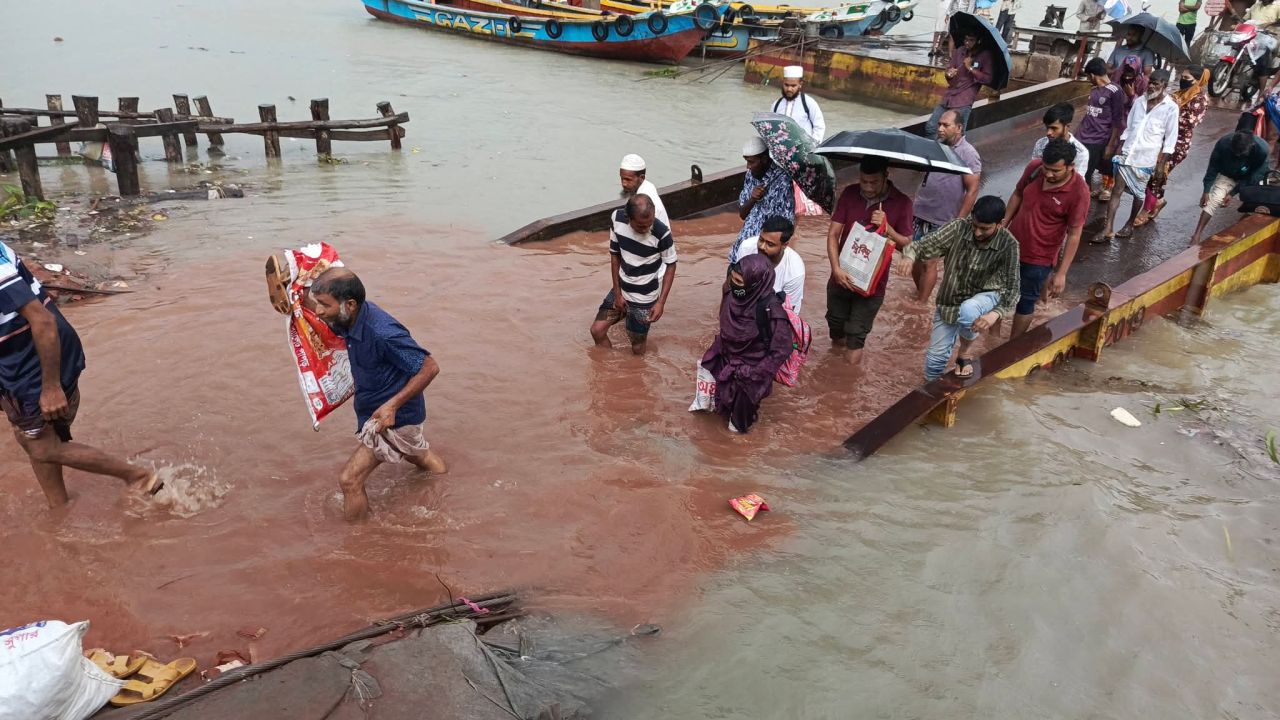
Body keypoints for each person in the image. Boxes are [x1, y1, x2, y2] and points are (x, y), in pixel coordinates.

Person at [0, 241, 161, 508]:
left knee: (41, 446)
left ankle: (139, 477)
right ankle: (59, 507)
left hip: (34, 359)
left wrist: (50, 387)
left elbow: (42, 321)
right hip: (20, 355)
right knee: (32, 434)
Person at [308, 268, 447, 522]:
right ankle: (445, 484)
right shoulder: (348, 318)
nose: (318, 311)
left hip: (395, 418)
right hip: (382, 412)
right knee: (419, 456)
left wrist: (392, 407)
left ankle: (358, 543)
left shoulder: (383, 333)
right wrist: (295, 303)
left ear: (349, 304)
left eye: (323, 305)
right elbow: (317, 315)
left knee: (350, 480)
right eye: (317, 303)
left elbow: (429, 367)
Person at [897, 196, 1020, 381]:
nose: (977, 233)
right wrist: (909, 256)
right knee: (933, 364)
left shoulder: (1009, 244)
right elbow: (924, 245)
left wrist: (995, 314)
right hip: (950, 301)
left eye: (984, 229)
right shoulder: (958, 227)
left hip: (986, 298)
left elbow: (1013, 289)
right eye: (975, 225)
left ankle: (964, 352)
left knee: (969, 309)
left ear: (999, 224)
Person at [824, 157, 914, 364]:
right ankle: (834, 366)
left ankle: (846, 383)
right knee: (835, 325)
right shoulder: (849, 194)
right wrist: (836, 269)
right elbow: (832, 235)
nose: (868, 187)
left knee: (856, 335)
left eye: (873, 182)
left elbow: (907, 244)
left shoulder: (902, 203)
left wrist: (888, 227)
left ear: (886, 177)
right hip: (841, 275)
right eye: (864, 181)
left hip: (873, 283)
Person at [1003, 139, 1090, 338]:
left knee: (1025, 301)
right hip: (1010, 246)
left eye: (1055, 171)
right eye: (1046, 168)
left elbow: (1075, 234)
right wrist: (1003, 224)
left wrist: (1061, 273)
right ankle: (991, 338)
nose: (1048, 174)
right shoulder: (1034, 169)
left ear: (1070, 167)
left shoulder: (1079, 192)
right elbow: (1017, 194)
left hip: (1039, 257)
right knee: (998, 293)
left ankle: (1012, 345)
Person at [700, 254, 795, 433]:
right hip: (725, 363)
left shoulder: (772, 311)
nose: (734, 284)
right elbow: (723, 323)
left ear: (756, 284)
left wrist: (754, 373)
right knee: (717, 412)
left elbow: (782, 349)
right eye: (733, 279)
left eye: (739, 282)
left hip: (750, 375)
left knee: (737, 428)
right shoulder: (729, 291)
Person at [590, 194, 677, 354]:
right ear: (628, 218)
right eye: (641, 226)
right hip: (622, 288)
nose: (647, 229)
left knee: (637, 347)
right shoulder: (617, 219)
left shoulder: (661, 233)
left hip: (644, 300)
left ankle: (636, 374)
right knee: (597, 331)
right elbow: (614, 255)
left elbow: (671, 265)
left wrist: (661, 303)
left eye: (649, 224)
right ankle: (609, 369)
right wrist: (617, 293)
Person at [911, 109, 982, 302]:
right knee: (915, 258)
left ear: (959, 128)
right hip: (921, 211)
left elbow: (972, 189)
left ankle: (921, 305)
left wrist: (959, 221)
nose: (940, 129)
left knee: (929, 262)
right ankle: (920, 295)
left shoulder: (968, 154)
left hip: (943, 218)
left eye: (945, 125)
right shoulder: (936, 147)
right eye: (939, 124)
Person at [1100, 69, 1179, 243]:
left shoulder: (1171, 108)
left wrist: (1161, 164)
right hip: (1128, 153)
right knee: (1116, 190)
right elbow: (1129, 127)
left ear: (1164, 85)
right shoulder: (1139, 102)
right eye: (1150, 82)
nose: (1151, 86)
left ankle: (1129, 224)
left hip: (1146, 157)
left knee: (1138, 194)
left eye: (1156, 83)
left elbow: (1170, 139)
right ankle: (1108, 228)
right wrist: (1120, 146)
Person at [1139, 65, 1210, 225]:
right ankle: (1158, 201)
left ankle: (1146, 210)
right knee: (1153, 173)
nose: (1182, 81)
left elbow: (1190, 123)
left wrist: (1172, 112)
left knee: (1157, 175)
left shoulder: (1200, 99)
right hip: (1160, 140)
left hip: (1177, 145)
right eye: (1182, 78)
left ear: (1198, 81)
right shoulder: (1177, 94)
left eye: (1187, 79)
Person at [1190, 115, 1272, 243]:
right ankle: (1196, 234)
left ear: (1250, 148)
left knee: (1254, 205)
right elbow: (1213, 167)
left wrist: (1233, 193)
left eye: (1242, 155)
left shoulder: (1262, 151)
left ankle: (1237, 234)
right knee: (1214, 199)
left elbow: (1254, 175)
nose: (1238, 156)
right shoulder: (1223, 143)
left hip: (1251, 178)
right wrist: (1206, 190)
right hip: (1228, 174)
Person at [727, 215, 806, 312]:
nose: (762, 247)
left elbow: (790, 311)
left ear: (784, 245)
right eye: (761, 240)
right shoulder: (746, 248)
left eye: (770, 244)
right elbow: (734, 288)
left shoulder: (795, 270)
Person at [735, 136, 795, 261]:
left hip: (766, 246)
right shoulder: (750, 176)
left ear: (763, 159)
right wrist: (753, 198)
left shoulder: (783, 180)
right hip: (745, 240)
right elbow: (742, 214)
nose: (748, 166)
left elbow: (785, 224)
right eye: (747, 161)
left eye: (751, 162)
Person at [925, 31, 994, 139]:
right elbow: (949, 70)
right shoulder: (960, 51)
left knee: (957, 134)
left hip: (963, 99)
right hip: (949, 96)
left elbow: (987, 78)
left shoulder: (985, 56)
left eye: (971, 40)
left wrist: (970, 68)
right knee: (931, 127)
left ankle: (952, 154)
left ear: (978, 41)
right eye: (966, 39)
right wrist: (949, 74)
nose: (967, 43)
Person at [1076, 58, 1126, 197]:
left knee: (1086, 171)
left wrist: (1110, 145)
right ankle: (1084, 195)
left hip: (1098, 139)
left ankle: (1083, 200)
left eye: (1088, 76)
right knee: (1079, 169)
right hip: (1083, 137)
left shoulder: (1115, 91)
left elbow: (1117, 121)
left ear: (1092, 75)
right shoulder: (1094, 90)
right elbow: (1089, 114)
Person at [1031, 103, 1091, 177]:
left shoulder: (1081, 153)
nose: (1048, 133)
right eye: (1047, 127)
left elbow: (1076, 181)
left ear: (1067, 126)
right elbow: (1034, 170)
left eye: (1054, 128)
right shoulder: (1041, 143)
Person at [771, 65, 826, 142]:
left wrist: (812, 146)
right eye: (786, 85)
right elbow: (772, 127)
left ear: (800, 84)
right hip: (781, 150)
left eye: (793, 86)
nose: (789, 89)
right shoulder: (776, 105)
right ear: (783, 82)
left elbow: (819, 127)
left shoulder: (809, 103)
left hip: (804, 150)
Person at [619, 154, 669, 228]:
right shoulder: (647, 185)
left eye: (628, 180)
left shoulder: (645, 202)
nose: (624, 184)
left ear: (641, 177)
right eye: (622, 178)